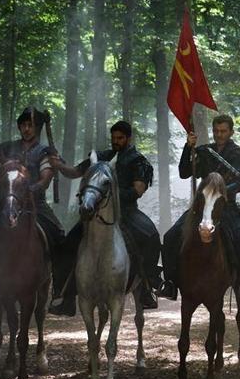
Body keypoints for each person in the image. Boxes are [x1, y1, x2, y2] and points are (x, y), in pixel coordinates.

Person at [47, 120, 161, 316]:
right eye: (114, 138)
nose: (116, 141)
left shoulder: (138, 161)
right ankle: (64, 296)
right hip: (96, 212)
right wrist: (59, 165)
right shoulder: (100, 158)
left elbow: (138, 190)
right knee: (67, 245)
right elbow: (74, 172)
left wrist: (112, 194)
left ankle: (148, 287)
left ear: (128, 138)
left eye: (120, 138)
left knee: (151, 236)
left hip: (127, 212)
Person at [159, 114, 240, 301]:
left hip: (226, 207)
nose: (219, 135)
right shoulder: (204, 152)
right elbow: (184, 172)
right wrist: (188, 147)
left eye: (223, 131)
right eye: (216, 131)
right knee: (170, 236)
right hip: (201, 207)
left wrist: (218, 193)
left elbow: (239, 183)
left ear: (231, 132)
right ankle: (170, 282)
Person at [0, 107, 65, 287]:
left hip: (35, 204)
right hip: (7, 203)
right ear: (19, 127)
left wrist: (30, 189)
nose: (27, 129)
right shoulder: (8, 147)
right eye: (23, 125)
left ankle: (56, 283)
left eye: (31, 125)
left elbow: (45, 180)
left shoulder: (45, 152)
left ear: (37, 128)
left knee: (58, 234)